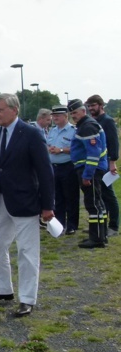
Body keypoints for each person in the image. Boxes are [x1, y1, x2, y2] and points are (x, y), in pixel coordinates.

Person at [0, 93, 54, 317]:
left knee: (27, 251)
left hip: (25, 201)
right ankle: (1, 289)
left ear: (14, 110)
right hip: (0, 201)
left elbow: (46, 171)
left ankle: (27, 298)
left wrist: (48, 205)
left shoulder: (31, 134)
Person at [68, 98, 109, 248]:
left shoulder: (87, 127)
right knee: (98, 203)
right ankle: (101, 235)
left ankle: (96, 238)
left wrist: (87, 175)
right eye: (72, 114)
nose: (74, 116)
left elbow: (93, 153)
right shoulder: (86, 125)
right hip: (92, 169)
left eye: (75, 113)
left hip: (89, 169)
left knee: (93, 204)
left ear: (83, 111)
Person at [86, 94, 119, 237]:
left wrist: (113, 162)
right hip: (98, 164)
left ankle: (114, 226)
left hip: (106, 164)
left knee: (109, 195)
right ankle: (102, 225)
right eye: (89, 106)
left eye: (93, 105)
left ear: (101, 105)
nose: (91, 108)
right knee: (100, 195)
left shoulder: (107, 121)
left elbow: (113, 143)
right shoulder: (94, 121)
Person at [47, 105, 80, 235]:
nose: (55, 118)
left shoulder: (73, 131)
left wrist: (60, 150)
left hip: (68, 166)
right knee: (57, 198)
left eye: (58, 116)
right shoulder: (52, 131)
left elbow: (76, 149)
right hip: (54, 167)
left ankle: (72, 225)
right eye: (53, 116)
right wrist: (49, 149)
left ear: (66, 116)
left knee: (70, 197)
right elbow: (48, 144)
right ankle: (59, 225)